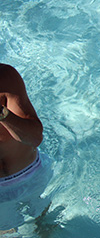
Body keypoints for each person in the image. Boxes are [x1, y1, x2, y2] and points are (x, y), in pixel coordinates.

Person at [0, 63, 52, 231]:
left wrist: (2, 114)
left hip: (33, 175)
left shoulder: (5, 77)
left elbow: (35, 138)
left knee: (45, 223)